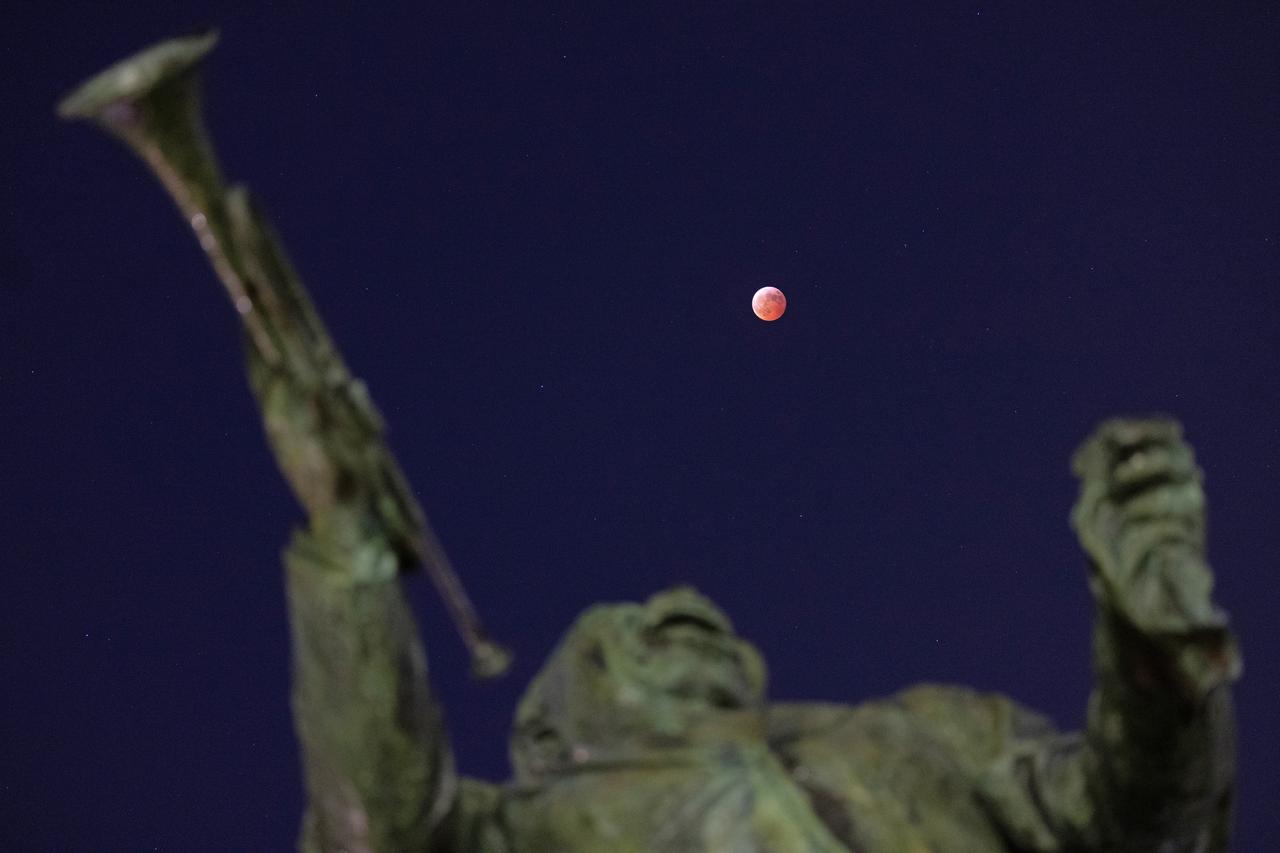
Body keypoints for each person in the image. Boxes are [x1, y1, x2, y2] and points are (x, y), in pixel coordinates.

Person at [61, 32, 1240, 853]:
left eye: (685, 615)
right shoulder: (520, 827)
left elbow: (1144, 826)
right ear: (547, 730)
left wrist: (1150, 645)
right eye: (626, 627)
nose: (682, 598)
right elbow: (373, 827)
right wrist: (347, 539)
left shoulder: (933, 733)